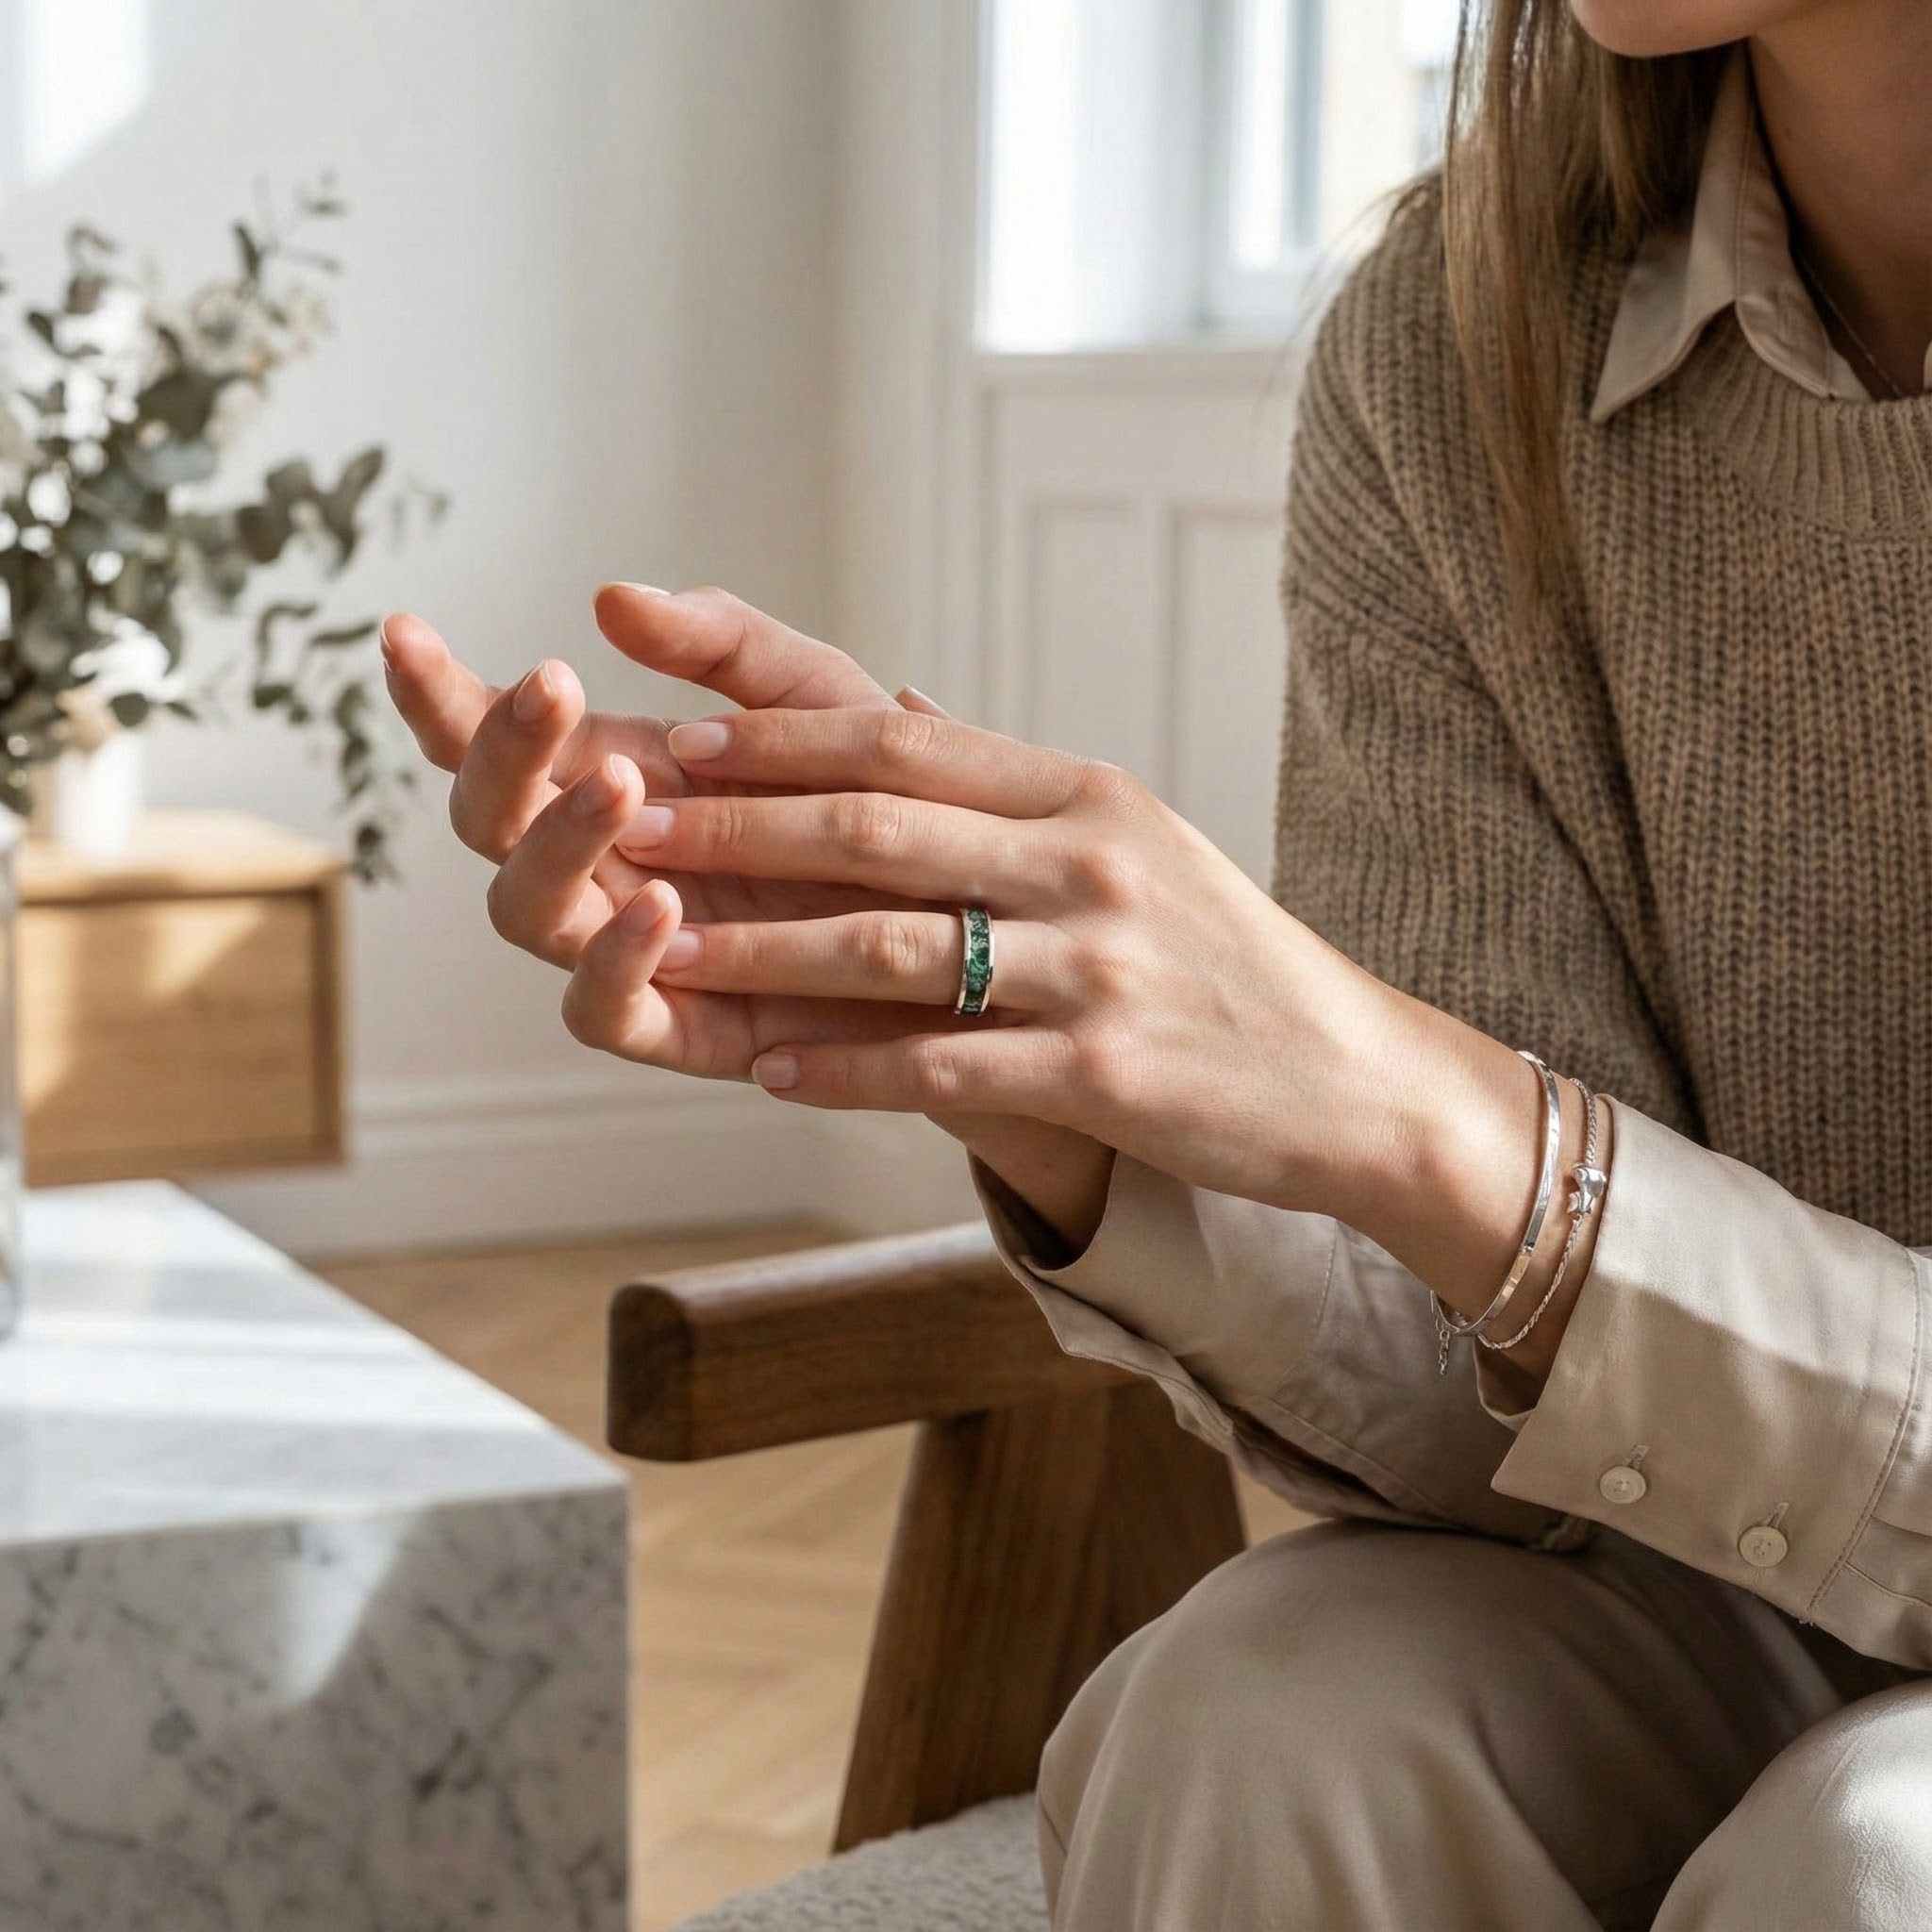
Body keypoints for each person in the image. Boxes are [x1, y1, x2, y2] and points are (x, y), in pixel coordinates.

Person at [383, 0, 1932, 1922]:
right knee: (1258, 1713)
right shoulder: (1462, 347)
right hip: (1749, 1602)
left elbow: (1514, 1189)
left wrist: (1465, 1138)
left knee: (1874, 1855)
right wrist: (1027, 1045)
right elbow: (1508, 1429)